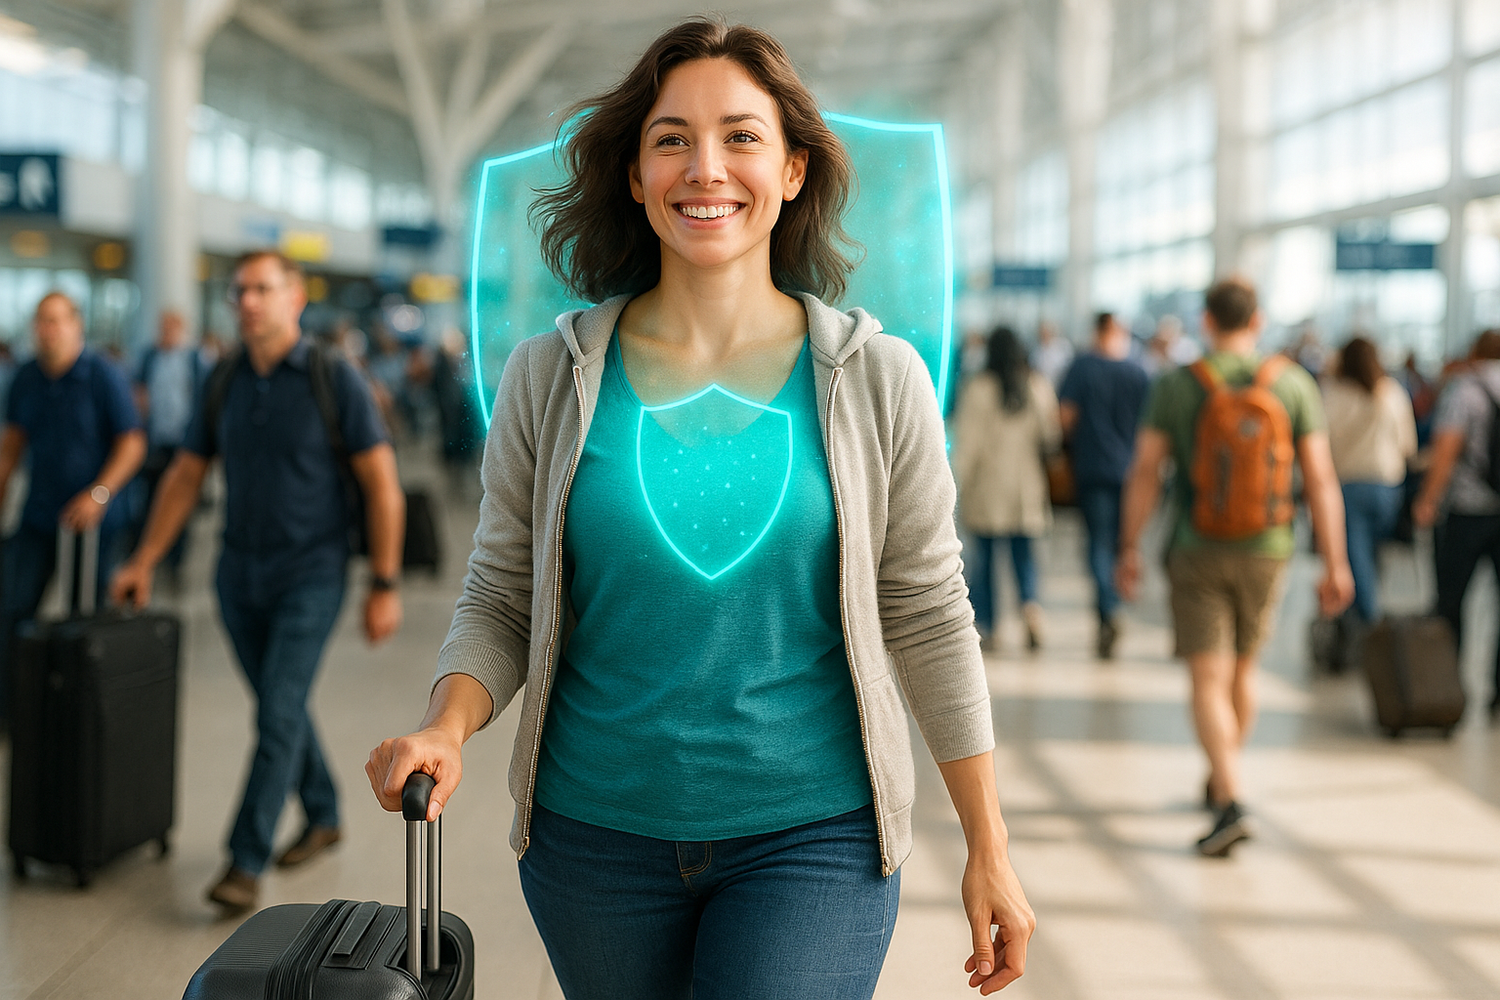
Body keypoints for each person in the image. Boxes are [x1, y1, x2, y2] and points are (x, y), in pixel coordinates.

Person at [364, 19, 1033, 999]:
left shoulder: (875, 378)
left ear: (794, 171)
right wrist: (444, 726)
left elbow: (928, 610)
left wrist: (988, 843)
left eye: (741, 136)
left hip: (815, 833)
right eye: (671, 138)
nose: (705, 167)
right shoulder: (549, 378)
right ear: (636, 176)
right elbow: (503, 595)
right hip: (594, 840)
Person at [111, 250, 406, 913]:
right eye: (239, 291)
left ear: (294, 298)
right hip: (237, 576)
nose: (246, 301)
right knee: (283, 705)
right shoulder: (224, 379)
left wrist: (384, 583)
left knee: (276, 710)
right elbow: (187, 474)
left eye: (262, 289)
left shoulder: (334, 377)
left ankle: (244, 861)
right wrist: (144, 559)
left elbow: (382, 484)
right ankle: (324, 811)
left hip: (313, 573)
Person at [1116, 277, 1353, 857]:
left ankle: (1229, 796)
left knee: (1207, 677)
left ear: (1206, 320)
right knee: (1243, 671)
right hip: (1269, 547)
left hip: (1196, 545)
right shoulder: (1293, 384)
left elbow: (1146, 470)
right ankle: (1225, 777)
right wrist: (1336, 562)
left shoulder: (1178, 383)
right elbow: (1320, 479)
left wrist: (1128, 546)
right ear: (1258, 320)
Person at [0, 292, 145, 725]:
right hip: (40, 516)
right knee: (12, 609)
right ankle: (12, 712)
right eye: (41, 321)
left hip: (95, 523)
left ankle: (83, 716)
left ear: (76, 325)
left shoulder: (103, 374)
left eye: (57, 320)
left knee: (86, 619)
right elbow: (11, 447)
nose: (48, 330)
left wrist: (99, 493)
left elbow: (131, 443)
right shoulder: (26, 377)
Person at [952, 326, 1061, 652]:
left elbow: (967, 446)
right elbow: (1051, 436)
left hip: (987, 488)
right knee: (1024, 556)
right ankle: (1030, 608)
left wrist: (954, 485)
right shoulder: (1036, 385)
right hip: (1025, 488)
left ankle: (989, 625)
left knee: (984, 560)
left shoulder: (978, 388)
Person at [1412, 329, 1500, 718]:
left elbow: (1446, 449)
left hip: (1467, 510)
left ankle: (1449, 688)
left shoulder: (1465, 390)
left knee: (1450, 601)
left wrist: (1428, 499)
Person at [1058, 311, 1150, 658]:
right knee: (1123, 543)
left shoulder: (1082, 367)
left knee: (1097, 545)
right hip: (1132, 472)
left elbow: (1065, 416)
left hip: (1093, 468)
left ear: (1097, 331)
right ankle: (1115, 604)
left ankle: (1108, 610)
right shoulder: (1139, 371)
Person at [1322, 336, 1417, 627]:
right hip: (1388, 487)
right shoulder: (1392, 393)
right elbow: (1408, 446)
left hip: (1348, 485)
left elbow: (1322, 445)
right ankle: (1364, 614)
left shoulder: (1335, 394)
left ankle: (1367, 622)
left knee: (1355, 555)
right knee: (1370, 554)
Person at [132, 309, 209, 582]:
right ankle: (150, 557)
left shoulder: (193, 359)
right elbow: (140, 392)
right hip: (156, 440)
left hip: (182, 442)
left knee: (179, 501)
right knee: (151, 501)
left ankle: (175, 563)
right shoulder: (149, 357)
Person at [1030, 319, 1073, 387]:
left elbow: (1069, 365)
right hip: (1045, 386)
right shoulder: (1036, 352)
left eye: (1046, 331)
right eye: (1042, 332)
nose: (1044, 334)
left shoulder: (1063, 346)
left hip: (1062, 383)